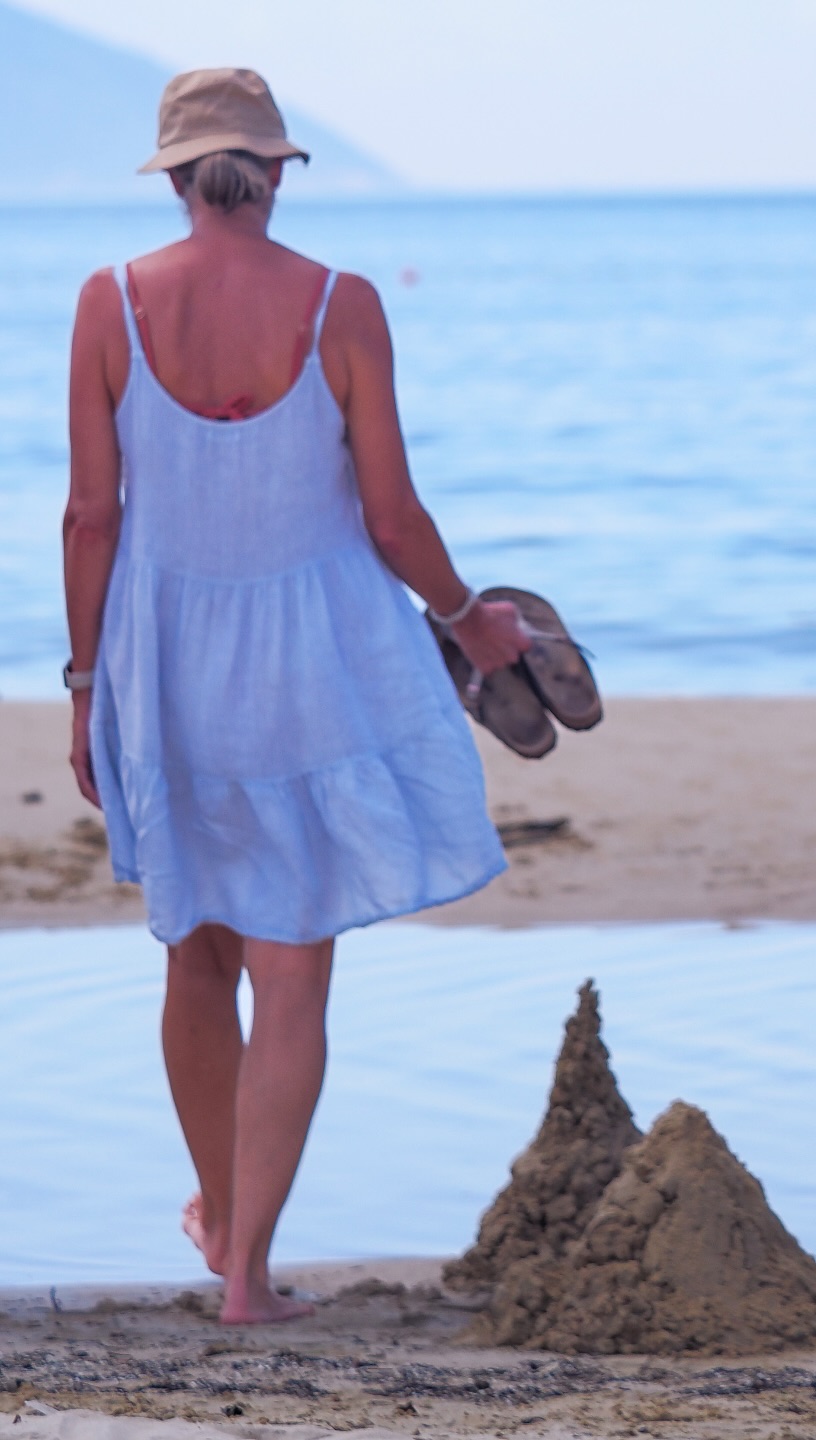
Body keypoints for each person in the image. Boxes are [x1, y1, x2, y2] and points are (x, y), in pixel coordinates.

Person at [63, 69, 530, 1324]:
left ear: (173, 175)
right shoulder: (344, 305)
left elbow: (90, 515)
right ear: (274, 172)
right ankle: (250, 1276)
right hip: (309, 670)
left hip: (163, 666)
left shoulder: (108, 302)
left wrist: (82, 682)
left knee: (194, 953)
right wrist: (469, 621)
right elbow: (390, 517)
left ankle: (217, 1228)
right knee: (295, 971)